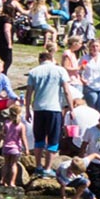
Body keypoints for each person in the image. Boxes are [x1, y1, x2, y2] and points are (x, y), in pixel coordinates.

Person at [25, 51, 70, 179]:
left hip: (38, 109)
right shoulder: (60, 70)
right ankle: (48, 168)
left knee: (39, 138)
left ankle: (38, 166)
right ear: (52, 59)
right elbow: (66, 91)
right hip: (54, 109)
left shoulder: (34, 71)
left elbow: (28, 93)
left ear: (40, 60)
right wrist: (71, 108)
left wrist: (28, 110)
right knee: (53, 139)